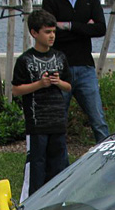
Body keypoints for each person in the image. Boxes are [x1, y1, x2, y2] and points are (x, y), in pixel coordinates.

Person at [12, 10, 72, 197]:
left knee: (59, 165)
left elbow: (69, 86)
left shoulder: (60, 57)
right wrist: (39, 84)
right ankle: (31, 202)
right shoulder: (25, 60)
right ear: (34, 33)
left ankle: (57, 200)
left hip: (57, 122)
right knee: (37, 166)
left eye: (53, 31)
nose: (52, 36)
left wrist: (57, 82)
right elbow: (16, 89)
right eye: (47, 32)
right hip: (37, 124)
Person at [41, 0, 110, 143]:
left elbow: (100, 29)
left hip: (85, 67)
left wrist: (68, 25)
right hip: (59, 69)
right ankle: (59, 165)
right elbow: (50, 34)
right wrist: (84, 29)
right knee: (58, 123)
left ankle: (109, 162)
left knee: (98, 120)